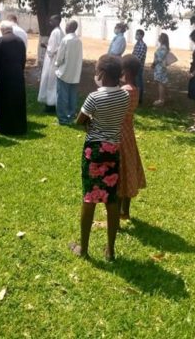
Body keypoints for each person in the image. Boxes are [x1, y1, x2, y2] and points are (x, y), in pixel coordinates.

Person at [70, 55, 130, 261]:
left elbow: (79, 120)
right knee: (110, 200)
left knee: (89, 197)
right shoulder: (124, 96)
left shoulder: (94, 97)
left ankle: (84, 249)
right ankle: (110, 250)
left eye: (97, 71)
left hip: (94, 151)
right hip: (113, 149)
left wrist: (90, 123)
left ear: (102, 73)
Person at [118, 55, 146, 220]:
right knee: (128, 168)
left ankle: (117, 213)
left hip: (120, 133)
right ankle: (125, 211)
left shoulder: (124, 91)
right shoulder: (135, 89)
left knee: (120, 171)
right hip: (129, 133)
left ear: (126, 71)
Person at [0, 21, 27, 135]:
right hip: (18, 74)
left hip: (4, 75)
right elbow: (23, 59)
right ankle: (19, 126)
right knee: (17, 100)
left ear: (2, 30)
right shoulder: (20, 41)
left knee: (3, 100)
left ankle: (4, 126)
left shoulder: (0, 41)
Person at [55, 20, 83, 125]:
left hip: (64, 72)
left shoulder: (65, 40)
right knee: (72, 96)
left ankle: (63, 119)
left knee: (62, 96)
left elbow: (60, 57)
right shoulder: (78, 41)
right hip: (75, 73)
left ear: (70, 27)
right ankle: (71, 116)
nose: (65, 27)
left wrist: (56, 64)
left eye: (66, 25)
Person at [38, 15, 64, 113]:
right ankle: (52, 103)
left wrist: (45, 45)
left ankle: (50, 105)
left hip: (52, 61)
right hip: (56, 60)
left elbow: (52, 50)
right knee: (53, 83)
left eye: (52, 20)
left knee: (49, 82)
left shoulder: (55, 32)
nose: (50, 22)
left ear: (57, 21)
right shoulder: (61, 32)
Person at [151, 32, 170, 106]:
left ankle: (161, 100)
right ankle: (162, 98)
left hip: (160, 67)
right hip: (159, 67)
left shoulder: (163, 47)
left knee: (161, 83)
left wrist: (153, 64)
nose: (158, 38)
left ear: (162, 39)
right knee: (161, 83)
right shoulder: (162, 47)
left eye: (160, 37)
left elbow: (159, 58)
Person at [132, 29, 147, 105]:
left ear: (142, 35)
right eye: (136, 34)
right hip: (134, 65)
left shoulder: (143, 45)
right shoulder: (137, 44)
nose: (136, 35)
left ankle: (139, 99)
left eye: (138, 34)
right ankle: (134, 97)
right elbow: (133, 54)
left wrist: (133, 61)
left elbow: (139, 57)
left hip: (138, 66)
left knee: (139, 82)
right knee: (134, 82)